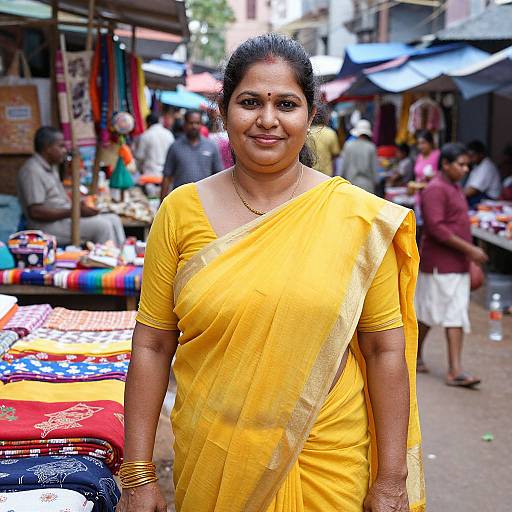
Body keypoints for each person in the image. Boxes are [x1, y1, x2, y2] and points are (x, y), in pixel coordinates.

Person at [117, 34, 424, 512]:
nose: (267, 119)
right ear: (222, 110)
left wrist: (391, 480)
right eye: (249, 102)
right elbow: (153, 344)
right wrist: (138, 474)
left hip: (327, 460)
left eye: (286, 103)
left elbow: (384, 350)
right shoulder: (180, 211)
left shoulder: (360, 219)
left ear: (310, 114)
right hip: (215, 459)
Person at [415, 143, 488, 385]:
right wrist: (471, 250)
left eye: (468, 165)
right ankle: (449, 369)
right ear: (445, 164)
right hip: (441, 263)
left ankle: (450, 367)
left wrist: (468, 254)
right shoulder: (436, 190)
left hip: (454, 263)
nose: (466, 169)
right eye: (461, 164)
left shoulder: (453, 187)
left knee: (445, 312)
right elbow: (436, 228)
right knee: (433, 313)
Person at [17, 127, 125, 247]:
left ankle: (122, 259)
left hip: (63, 219)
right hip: (47, 226)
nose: (64, 150)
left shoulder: (50, 167)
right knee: (102, 226)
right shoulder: (32, 171)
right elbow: (36, 212)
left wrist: (79, 206)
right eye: (61, 146)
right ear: (47, 148)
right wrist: (75, 211)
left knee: (114, 219)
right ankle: (107, 261)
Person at [160, 110, 223, 201]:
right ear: (184, 125)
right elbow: (167, 177)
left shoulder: (211, 146)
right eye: (191, 123)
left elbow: (218, 175)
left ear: (201, 124)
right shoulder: (175, 147)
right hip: (180, 200)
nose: (194, 126)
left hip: (205, 201)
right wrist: (162, 202)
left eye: (197, 123)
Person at [340, 119, 378, 193]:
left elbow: (343, 166)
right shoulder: (371, 147)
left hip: (351, 184)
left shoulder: (348, 145)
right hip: (367, 185)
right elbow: (374, 169)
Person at [465, 140, 502, 208]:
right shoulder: (477, 165)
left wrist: (455, 196)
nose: (470, 158)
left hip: (489, 199)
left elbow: (472, 191)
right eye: (469, 156)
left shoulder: (486, 166)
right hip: (480, 197)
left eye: (472, 155)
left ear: (481, 154)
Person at [308, 112, 340, 176]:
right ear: (325, 119)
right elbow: (335, 153)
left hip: (310, 171)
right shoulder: (331, 133)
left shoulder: (307, 133)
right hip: (326, 173)